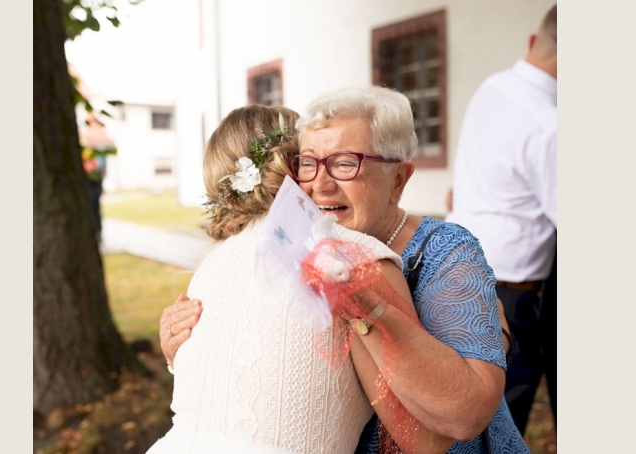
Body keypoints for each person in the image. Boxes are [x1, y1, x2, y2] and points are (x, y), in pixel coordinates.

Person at [160, 86, 528, 453]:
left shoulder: (445, 250)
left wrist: (367, 304)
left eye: (345, 163)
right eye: (307, 162)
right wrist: (185, 346)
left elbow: (464, 416)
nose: (320, 184)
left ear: (398, 179)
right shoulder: (295, 251)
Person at [446, 4, 557, 436]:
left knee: (468, 416)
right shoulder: (551, 127)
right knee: (500, 420)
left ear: (532, 42)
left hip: (460, 268)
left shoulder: (493, 87)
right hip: (510, 294)